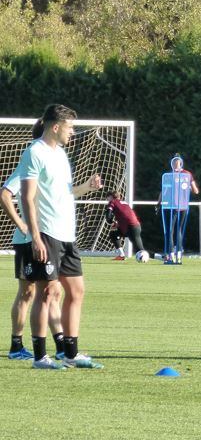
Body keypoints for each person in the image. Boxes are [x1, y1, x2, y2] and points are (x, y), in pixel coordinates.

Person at [20, 104, 104, 369]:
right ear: (55, 127)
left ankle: (70, 352)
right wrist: (35, 236)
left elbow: (65, 193)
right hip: (47, 233)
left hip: (67, 234)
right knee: (46, 292)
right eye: (70, 127)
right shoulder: (35, 152)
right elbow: (27, 197)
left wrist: (86, 188)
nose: (74, 133)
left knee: (76, 291)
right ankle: (40, 357)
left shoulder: (61, 155)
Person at [0, 120, 65, 361]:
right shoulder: (30, 162)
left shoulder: (50, 162)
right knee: (30, 292)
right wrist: (23, 226)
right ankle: (17, 346)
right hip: (29, 239)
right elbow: (6, 194)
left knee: (52, 290)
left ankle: (59, 345)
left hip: (45, 235)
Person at [159, 155, 199, 264]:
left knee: (170, 231)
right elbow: (195, 191)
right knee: (179, 230)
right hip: (183, 206)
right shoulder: (187, 174)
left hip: (172, 206)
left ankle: (171, 256)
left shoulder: (169, 176)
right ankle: (178, 255)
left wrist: (158, 203)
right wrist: (186, 187)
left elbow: (164, 191)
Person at [106, 191, 146, 260]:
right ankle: (121, 255)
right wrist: (117, 224)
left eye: (107, 197)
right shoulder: (124, 203)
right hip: (135, 226)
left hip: (130, 228)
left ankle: (161, 257)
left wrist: (112, 222)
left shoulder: (112, 202)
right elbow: (126, 215)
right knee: (113, 234)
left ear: (111, 197)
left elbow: (108, 217)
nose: (107, 199)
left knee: (140, 250)